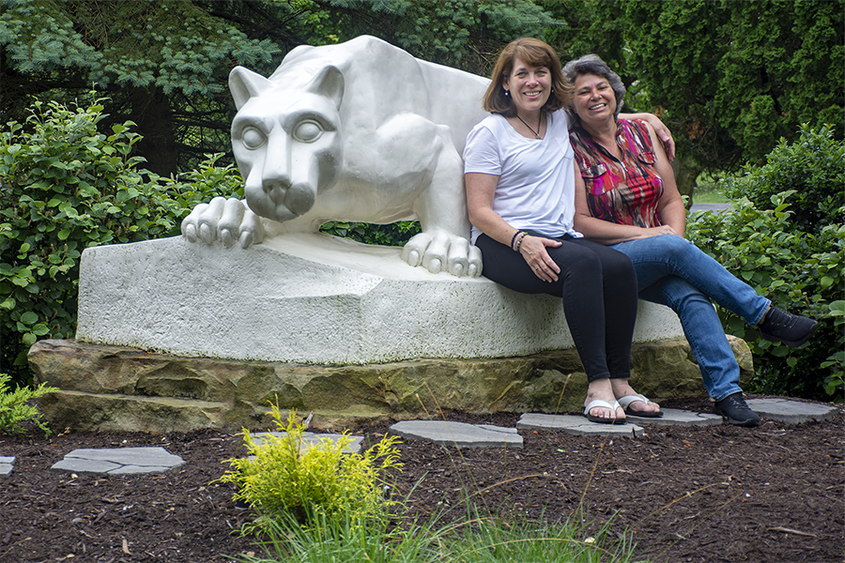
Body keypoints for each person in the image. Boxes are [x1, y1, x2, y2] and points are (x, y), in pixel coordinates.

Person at [563, 54, 819, 427]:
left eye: (601, 87)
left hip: (657, 253)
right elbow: (581, 222)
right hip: (607, 260)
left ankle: (727, 393)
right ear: (571, 103)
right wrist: (655, 239)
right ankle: (764, 314)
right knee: (671, 250)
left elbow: (671, 200)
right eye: (583, 92)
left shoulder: (642, 133)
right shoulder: (569, 146)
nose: (595, 95)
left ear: (615, 92)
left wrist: (673, 247)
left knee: (690, 294)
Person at [463, 38, 671, 424]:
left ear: (552, 78)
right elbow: (478, 211)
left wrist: (646, 118)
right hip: (504, 244)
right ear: (505, 83)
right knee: (584, 265)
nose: (532, 82)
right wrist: (521, 241)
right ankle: (598, 386)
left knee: (620, 268)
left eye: (541, 72)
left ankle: (622, 384)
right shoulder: (490, 133)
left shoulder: (558, 120)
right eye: (521, 73)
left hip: (558, 238)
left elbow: (604, 114)